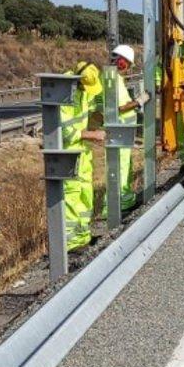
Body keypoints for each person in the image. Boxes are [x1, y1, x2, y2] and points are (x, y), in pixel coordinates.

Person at [58, 60, 105, 251]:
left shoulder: (82, 91)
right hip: (68, 156)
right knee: (71, 198)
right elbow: (66, 132)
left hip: (82, 153)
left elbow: (88, 115)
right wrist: (92, 134)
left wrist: (98, 119)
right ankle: (71, 243)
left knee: (86, 195)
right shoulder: (63, 95)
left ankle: (83, 237)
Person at [107, 44, 142, 209]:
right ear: (122, 62)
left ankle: (125, 199)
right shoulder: (113, 79)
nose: (127, 69)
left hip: (123, 130)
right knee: (120, 167)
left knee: (125, 165)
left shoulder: (113, 78)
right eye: (127, 65)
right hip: (120, 130)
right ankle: (117, 204)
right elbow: (120, 107)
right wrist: (139, 101)